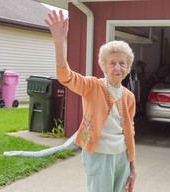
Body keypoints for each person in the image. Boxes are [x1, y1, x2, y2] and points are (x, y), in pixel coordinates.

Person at [44, 10, 136, 192]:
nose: (118, 68)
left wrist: (132, 167)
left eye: (122, 63)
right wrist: (59, 41)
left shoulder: (129, 96)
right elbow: (65, 76)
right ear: (104, 65)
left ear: (128, 66)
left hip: (122, 157)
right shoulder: (92, 86)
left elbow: (129, 132)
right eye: (112, 63)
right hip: (99, 154)